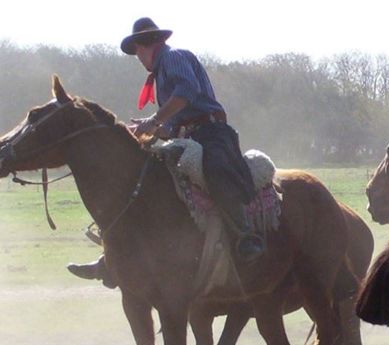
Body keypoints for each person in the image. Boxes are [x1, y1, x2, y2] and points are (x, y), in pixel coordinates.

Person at [68, 17, 263, 286]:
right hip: (187, 137)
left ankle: (245, 235)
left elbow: (187, 91)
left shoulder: (173, 58)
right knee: (147, 182)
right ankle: (112, 260)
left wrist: (155, 120)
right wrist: (154, 128)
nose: (138, 58)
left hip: (211, 134)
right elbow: (176, 119)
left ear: (146, 45)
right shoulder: (161, 72)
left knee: (216, 171)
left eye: (137, 51)